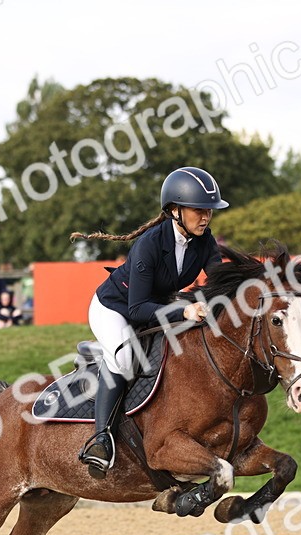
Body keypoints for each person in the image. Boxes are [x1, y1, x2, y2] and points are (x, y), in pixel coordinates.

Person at [69, 166, 228, 477]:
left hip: (157, 305)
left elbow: (218, 282)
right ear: (174, 210)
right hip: (114, 308)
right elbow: (138, 308)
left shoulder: (204, 241)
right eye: (199, 210)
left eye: (209, 210)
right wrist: (184, 311)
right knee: (126, 358)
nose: (206, 217)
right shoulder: (149, 244)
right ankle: (101, 440)